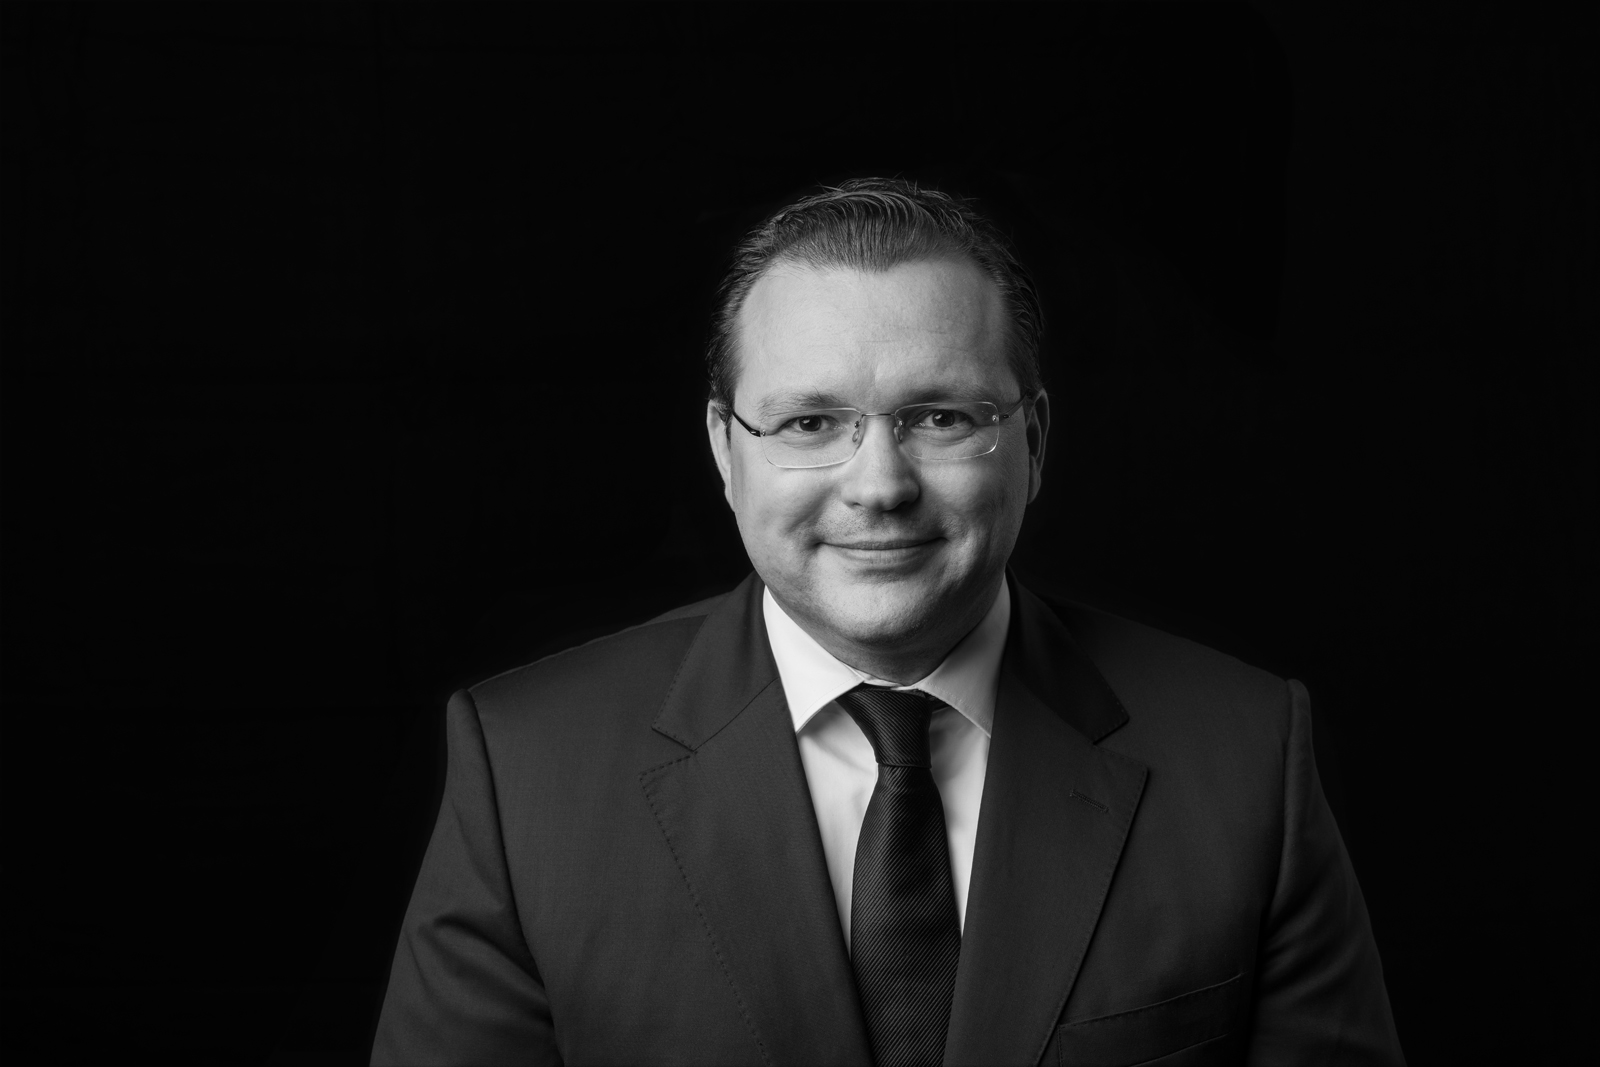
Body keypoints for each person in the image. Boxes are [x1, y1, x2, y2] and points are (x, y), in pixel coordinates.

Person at [372, 178, 1404, 1066]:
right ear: (727, 452)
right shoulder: (526, 773)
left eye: (940, 416)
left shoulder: (1244, 757)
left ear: (1034, 442)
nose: (879, 485)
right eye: (810, 421)